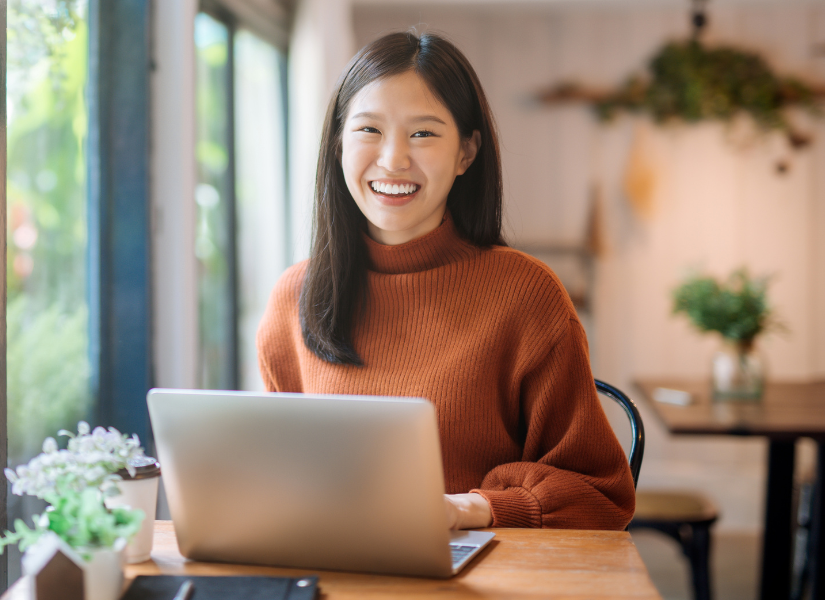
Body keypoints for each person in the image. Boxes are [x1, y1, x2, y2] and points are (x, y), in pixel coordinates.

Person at [256, 32, 634, 531]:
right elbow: (277, 471)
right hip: (331, 565)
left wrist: (473, 508)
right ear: (338, 144)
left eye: (423, 134)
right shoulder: (294, 296)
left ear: (466, 152)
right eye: (369, 130)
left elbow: (601, 492)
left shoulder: (526, 295)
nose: (393, 160)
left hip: (478, 575)